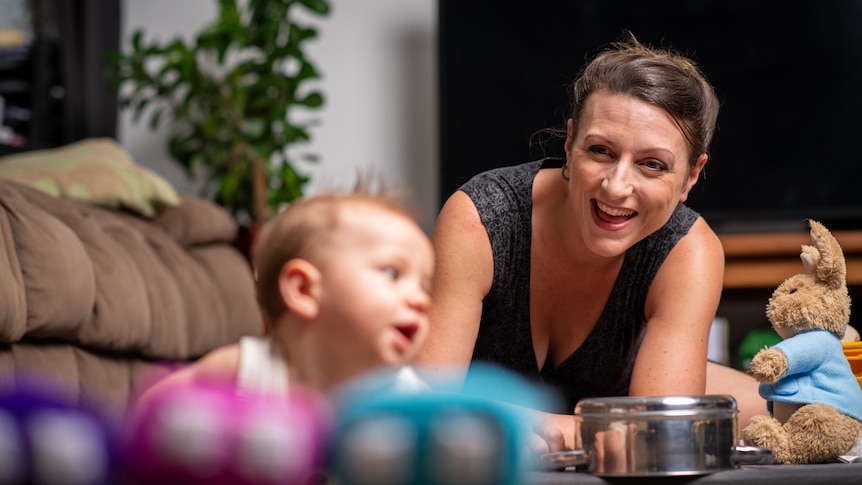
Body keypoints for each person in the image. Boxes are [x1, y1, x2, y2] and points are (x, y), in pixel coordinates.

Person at [415, 33, 763, 452]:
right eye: (600, 150)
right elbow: (425, 406)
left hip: (507, 424)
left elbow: (661, 436)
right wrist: (601, 430)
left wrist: (546, 428)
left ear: (691, 175)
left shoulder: (688, 251)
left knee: (795, 409)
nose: (617, 188)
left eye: (652, 165)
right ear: (569, 142)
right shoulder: (480, 219)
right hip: (483, 447)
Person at [132, 190, 435, 412]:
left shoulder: (410, 400)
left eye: (425, 285)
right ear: (303, 290)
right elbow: (151, 409)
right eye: (393, 273)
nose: (421, 300)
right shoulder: (247, 369)